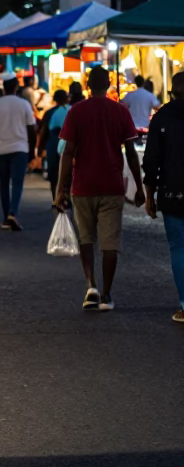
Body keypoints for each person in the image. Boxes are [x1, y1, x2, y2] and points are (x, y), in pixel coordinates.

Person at [55, 66, 144, 312]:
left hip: (82, 186)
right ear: (108, 85)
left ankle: (91, 286)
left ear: (88, 85)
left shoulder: (76, 112)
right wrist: (139, 186)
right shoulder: (120, 111)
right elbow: (132, 154)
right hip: (112, 185)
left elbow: (68, 153)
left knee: (86, 238)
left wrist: (60, 189)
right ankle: (106, 294)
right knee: (110, 242)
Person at [143, 71, 184, 323]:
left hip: (172, 194)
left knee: (179, 248)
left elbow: (151, 160)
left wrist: (150, 194)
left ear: (172, 91)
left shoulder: (162, 117)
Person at [0, 76, 37, 231]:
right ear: (16, 87)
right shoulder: (24, 104)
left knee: (4, 184)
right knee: (17, 183)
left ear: (3, 87)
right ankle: (13, 213)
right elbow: (31, 129)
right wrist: (32, 149)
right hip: (20, 149)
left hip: (1, 149)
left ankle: (6, 217)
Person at [36, 89, 69, 202]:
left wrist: (40, 149)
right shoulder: (71, 110)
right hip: (68, 145)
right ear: (66, 99)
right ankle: (66, 196)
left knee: (53, 173)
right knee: (68, 172)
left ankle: (55, 198)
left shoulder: (49, 113)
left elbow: (43, 131)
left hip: (53, 144)